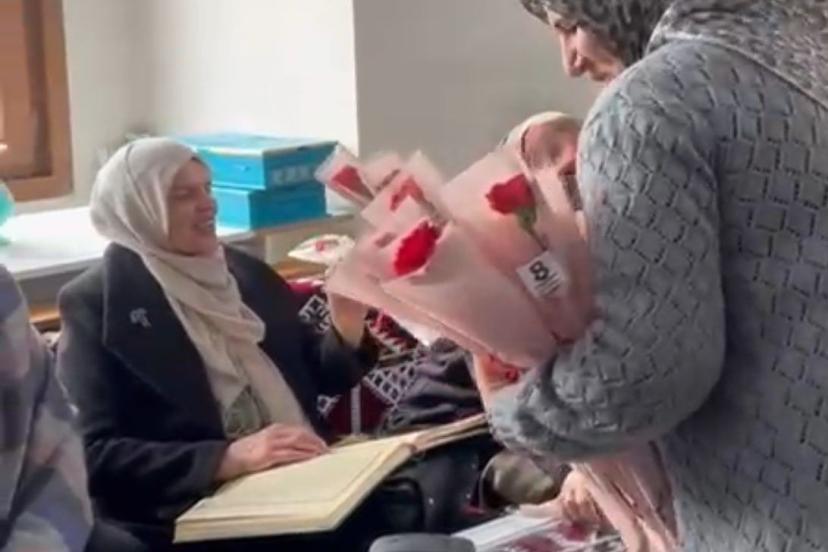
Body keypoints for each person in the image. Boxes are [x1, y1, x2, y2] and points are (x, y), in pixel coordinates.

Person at [479, 1, 828, 550]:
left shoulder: (650, 105)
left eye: (571, 24)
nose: (570, 61)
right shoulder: (809, 54)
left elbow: (649, 373)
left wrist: (512, 411)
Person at [56, 137, 380, 551]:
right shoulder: (96, 304)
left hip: (307, 480)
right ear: (139, 207)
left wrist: (346, 321)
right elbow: (93, 454)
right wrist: (227, 458)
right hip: (198, 511)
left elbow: (321, 376)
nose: (207, 203)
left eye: (207, 188)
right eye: (183, 195)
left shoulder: (245, 275)